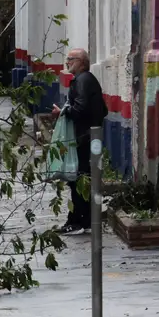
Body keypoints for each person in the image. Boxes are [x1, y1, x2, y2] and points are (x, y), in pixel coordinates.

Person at [52, 48, 104, 234]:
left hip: (83, 138)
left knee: (78, 179)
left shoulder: (83, 80)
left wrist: (63, 112)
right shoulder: (85, 80)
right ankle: (85, 220)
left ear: (81, 62)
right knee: (81, 178)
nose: (67, 63)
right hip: (87, 136)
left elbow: (81, 109)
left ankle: (77, 222)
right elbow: (101, 110)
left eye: (71, 59)